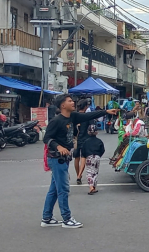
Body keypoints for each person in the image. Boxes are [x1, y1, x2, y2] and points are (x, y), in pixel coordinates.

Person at [41, 94, 118, 228]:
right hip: (56, 158)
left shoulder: (73, 116)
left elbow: (89, 116)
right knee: (63, 189)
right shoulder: (56, 121)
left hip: (64, 159)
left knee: (54, 190)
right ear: (63, 105)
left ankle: (46, 218)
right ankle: (67, 219)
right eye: (70, 101)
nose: (73, 102)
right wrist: (59, 147)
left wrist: (105, 111)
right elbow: (47, 138)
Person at [82, 124, 105, 195]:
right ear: (97, 132)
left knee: (89, 172)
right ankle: (94, 186)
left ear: (88, 132)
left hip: (89, 157)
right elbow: (102, 150)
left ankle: (91, 187)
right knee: (95, 172)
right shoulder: (99, 141)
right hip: (97, 157)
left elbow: (83, 151)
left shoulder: (86, 141)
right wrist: (99, 155)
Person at [73, 99, 91, 185]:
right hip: (86, 139)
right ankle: (79, 176)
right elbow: (92, 127)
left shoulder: (74, 116)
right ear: (86, 107)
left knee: (76, 158)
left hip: (76, 139)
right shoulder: (87, 116)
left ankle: (78, 175)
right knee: (83, 157)